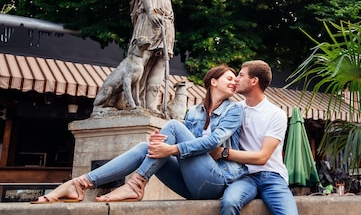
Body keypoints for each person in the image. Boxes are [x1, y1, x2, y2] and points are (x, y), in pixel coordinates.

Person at [32, 65, 246, 203]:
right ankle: (80, 184)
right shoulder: (195, 112)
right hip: (190, 186)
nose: (234, 81)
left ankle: (135, 185)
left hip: (216, 182)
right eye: (229, 78)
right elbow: (187, 152)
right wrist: (163, 147)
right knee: (146, 147)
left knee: (172, 126)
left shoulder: (234, 110)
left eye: (235, 79)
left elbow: (213, 142)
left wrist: (172, 147)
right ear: (213, 82)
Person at [212, 60, 302, 215]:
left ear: (254, 81)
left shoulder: (276, 114)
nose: (236, 79)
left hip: (273, 178)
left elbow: (262, 157)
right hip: (244, 176)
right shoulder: (235, 110)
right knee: (229, 203)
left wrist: (224, 153)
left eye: (241, 75)